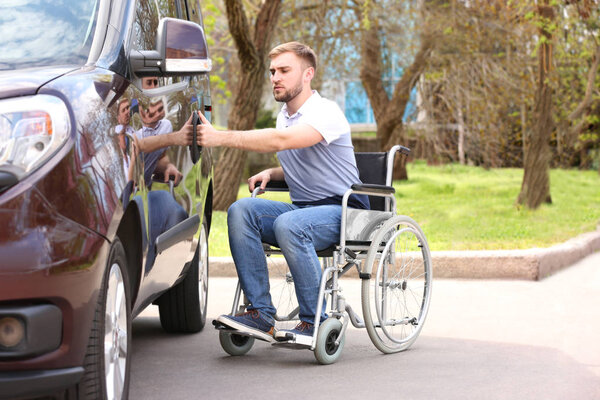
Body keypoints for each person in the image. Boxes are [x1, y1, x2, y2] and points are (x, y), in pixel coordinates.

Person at [196, 42, 369, 344]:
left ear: (307, 75)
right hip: (303, 210)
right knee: (241, 211)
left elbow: (281, 140)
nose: (275, 77)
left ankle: (315, 319)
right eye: (273, 71)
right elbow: (301, 157)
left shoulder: (325, 112)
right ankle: (260, 314)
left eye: (284, 70)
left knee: (290, 225)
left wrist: (219, 137)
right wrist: (273, 173)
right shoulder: (284, 116)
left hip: (345, 211)